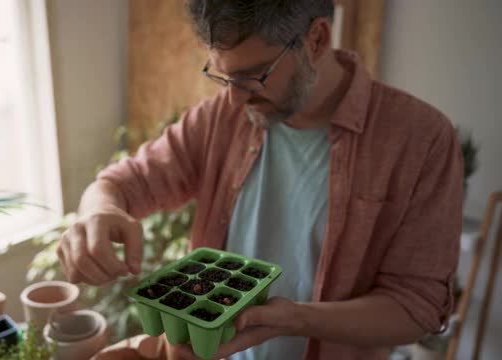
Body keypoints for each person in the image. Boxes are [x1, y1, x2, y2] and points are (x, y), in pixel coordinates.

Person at [57, 1, 463, 359]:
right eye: (222, 76)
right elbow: (123, 182)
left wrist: (297, 319)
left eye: (253, 75)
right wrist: (99, 211)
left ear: (317, 39)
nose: (234, 99)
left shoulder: (421, 141)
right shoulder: (221, 116)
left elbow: (417, 308)